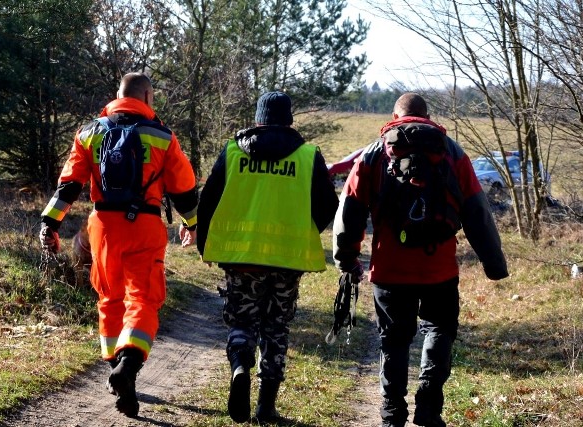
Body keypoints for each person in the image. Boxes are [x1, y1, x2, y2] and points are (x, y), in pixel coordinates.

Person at [332, 93, 509, 427]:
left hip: (389, 269)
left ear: (395, 116)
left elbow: (350, 210)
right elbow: (477, 212)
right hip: (438, 268)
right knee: (440, 329)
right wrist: (493, 263)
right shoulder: (452, 152)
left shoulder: (374, 153)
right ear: (427, 115)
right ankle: (428, 404)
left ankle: (392, 413)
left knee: (394, 339)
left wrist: (347, 259)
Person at [39, 72, 198, 418]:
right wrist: (192, 224)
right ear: (146, 96)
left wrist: (49, 223)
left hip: (103, 228)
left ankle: (117, 369)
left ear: (119, 95)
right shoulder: (162, 137)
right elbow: (184, 189)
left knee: (109, 298)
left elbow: (69, 185)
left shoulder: (89, 132)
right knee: (143, 298)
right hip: (144, 225)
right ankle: (128, 365)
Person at [196, 91, 339, 424]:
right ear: (289, 120)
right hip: (287, 262)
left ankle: (240, 366)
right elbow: (328, 205)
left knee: (242, 321)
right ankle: (265, 406)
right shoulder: (308, 156)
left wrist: (206, 245)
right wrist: (304, 227)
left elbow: (209, 200)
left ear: (258, 119)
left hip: (241, 258)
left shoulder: (233, 151)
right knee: (276, 328)